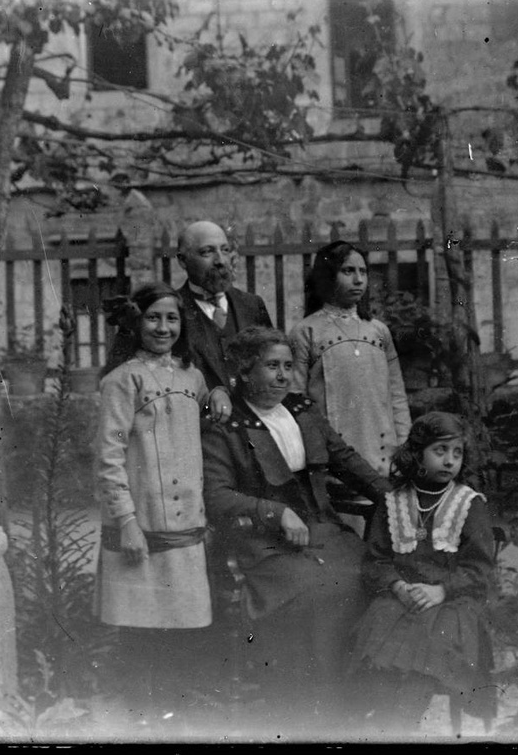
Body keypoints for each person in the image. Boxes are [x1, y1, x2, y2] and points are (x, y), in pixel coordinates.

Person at [201, 325, 392, 733]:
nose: (283, 376)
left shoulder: (303, 411)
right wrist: (273, 512)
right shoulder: (226, 426)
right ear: (245, 371)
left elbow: (347, 460)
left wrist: (397, 501)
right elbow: (216, 496)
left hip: (324, 530)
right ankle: (306, 708)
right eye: (272, 366)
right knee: (316, 590)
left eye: (288, 366)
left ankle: (357, 701)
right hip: (264, 544)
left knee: (367, 577)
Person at [94, 282, 211, 725]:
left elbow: (201, 427)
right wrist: (125, 521)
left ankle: (176, 722)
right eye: (153, 317)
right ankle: (141, 724)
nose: (163, 327)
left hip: (186, 526)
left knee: (183, 634)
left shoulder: (191, 378)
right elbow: (109, 457)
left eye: (172, 319)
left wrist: (216, 395)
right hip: (143, 526)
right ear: (135, 322)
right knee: (142, 636)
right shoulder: (123, 380)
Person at [350, 412, 497, 737]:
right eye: (440, 451)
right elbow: (375, 560)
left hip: (452, 601)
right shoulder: (394, 502)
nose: (449, 461)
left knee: (433, 642)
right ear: (418, 455)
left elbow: (480, 569)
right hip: (402, 597)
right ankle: (382, 718)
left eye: (456, 453)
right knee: (379, 627)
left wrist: (441, 590)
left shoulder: (468, 505)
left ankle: (403, 720)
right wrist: (398, 586)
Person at [289, 240, 411, 480]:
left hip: (383, 451)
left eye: (363, 272)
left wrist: (404, 444)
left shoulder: (378, 331)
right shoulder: (306, 331)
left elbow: (396, 394)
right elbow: (295, 399)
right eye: (348, 271)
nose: (358, 280)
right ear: (327, 275)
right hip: (334, 451)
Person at [175, 220, 273, 423]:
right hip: (202, 428)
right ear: (183, 261)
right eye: (207, 252)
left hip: (256, 425)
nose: (220, 260)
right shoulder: (172, 312)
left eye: (225, 250)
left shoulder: (252, 305)